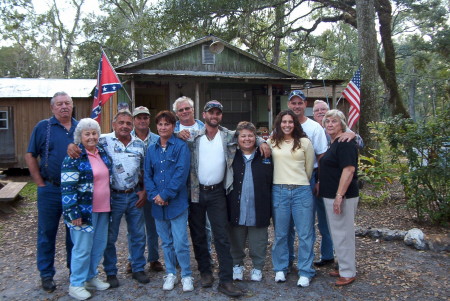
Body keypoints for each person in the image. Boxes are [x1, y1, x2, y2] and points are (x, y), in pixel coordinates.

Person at [187, 100, 270, 297]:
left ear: (221, 116)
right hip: (196, 192)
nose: (214, 116)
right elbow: (173, 138)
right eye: (210, 113)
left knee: (222, 237)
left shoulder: (227, 136)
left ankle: (226, 279)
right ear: (204, 115)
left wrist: (262, 141)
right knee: (198, 235)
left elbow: (247, 136)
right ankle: (205, 272)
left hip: (218, 192)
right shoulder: (193, 136)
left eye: (217, 113)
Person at [69, 110, 149, 287]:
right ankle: (110, 271)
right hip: (114, 196)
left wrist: (143, 190)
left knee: (137, 234)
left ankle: (138, 268)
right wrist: (71, 145)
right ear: (114, 124)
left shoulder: (139, 144)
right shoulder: (103, 140)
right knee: (109, 237)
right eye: (121, 122)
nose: (125, 126)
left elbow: (144, 170)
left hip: (134, 194)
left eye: (128, 123)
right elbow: (84, 145)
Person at [25, 91, 75, 292]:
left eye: (67, 103)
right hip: (51, 189)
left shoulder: (81, 128)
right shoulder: (43, 127)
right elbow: (30, 155)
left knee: (75, 233)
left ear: (72, 106)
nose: (64, 107)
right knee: (47, 232)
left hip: (75, 191)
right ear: (52, 107)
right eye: (59, 104)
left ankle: (75, 272)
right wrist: (39, 182)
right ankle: (46, 274)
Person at [61, 118, 112, 300]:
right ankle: (76, 284)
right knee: (82, 248)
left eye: (94, 133)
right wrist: (72, 212)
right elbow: (67, 187)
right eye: (87, 134)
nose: (91, 137)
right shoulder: (74, 156)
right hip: (83, 212)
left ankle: (91, 277)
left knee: (98, 245)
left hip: (103, 209)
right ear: (79, 136)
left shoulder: (102, 152)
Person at [144, 110, 193, 292]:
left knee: (180, 241)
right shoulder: (151, 149)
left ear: (173, 127)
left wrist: (165, 195)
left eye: (167, 124)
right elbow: (147, 175)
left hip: (177, 203)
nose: (163, 127)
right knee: (166, 242)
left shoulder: (181, 146)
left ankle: (186, 275)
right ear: (156, 126)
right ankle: (171, 273)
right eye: (160, 124)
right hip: (157, 205)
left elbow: (181, 174)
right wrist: (155, 196)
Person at [267, 110, 315, 287]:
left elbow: (309, 169)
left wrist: (299, 182)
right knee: (281, 233)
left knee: (305, 234)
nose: (287, 125)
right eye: (283, 122)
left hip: (301, 190)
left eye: (290, 122)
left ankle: (305, 270)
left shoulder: (304, 142)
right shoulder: (272, 142)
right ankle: (280, 267)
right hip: (279, 190)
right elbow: (256, 144)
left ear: (295, 124)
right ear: (279, 124)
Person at [286, 90, 331, 270]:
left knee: (308, 224)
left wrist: (319, 181)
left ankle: (312, 259)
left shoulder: (314, 128)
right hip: (285, 179)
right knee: (286, 224)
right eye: (293, 103)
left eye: (300, 103)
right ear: (288, 105)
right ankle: (288, 259)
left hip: (309, 178)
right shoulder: (282, 125)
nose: (297, 106)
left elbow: (322, 157)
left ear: (306, 105)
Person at [226, 121, 273, 282]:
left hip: (258, 206)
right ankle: (237, 266)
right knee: (236, 239)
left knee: (258, 241)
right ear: (237, 138)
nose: (247, 139)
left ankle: (257, 267)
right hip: (236, 206)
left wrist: (262, 142)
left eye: (251, 136)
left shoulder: (265, 155)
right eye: (243, 136)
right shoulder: (231, 155)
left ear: (256, 137)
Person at [319, 109, 359, 286]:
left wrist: (339, 196)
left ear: (342, 124)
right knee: (337, 233)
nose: (329, 124)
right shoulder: (334, 142)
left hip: (343, 196)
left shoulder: (345, 142)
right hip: (330, 195)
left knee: (344, 234)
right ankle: (343, 266)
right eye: (327, 121)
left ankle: (349, 272)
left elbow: (349, 170)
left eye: (334, 121)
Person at [172, 96, 213, 261]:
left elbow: (231, 136)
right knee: (178, 225)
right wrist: (175, 135)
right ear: (176, 113)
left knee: (205, 225)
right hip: (179, 186)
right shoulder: (171, 130)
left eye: (187, 108)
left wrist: (260, 141)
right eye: (180, 110)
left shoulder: (206, 128)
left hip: (202, 184)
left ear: (193, 110)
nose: (184, 112)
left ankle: (206, 257)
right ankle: (177, 259)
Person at [128, 106, 164, 273]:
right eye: (138, 118)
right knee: (135, 227)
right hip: (133, 189)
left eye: (145, 117)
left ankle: (154, 259)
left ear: (149, 120)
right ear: (134, 120)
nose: (142, 120)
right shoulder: (126, 138)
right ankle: (133, 259)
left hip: (153, 188)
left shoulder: (158, 139)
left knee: (153, 226)